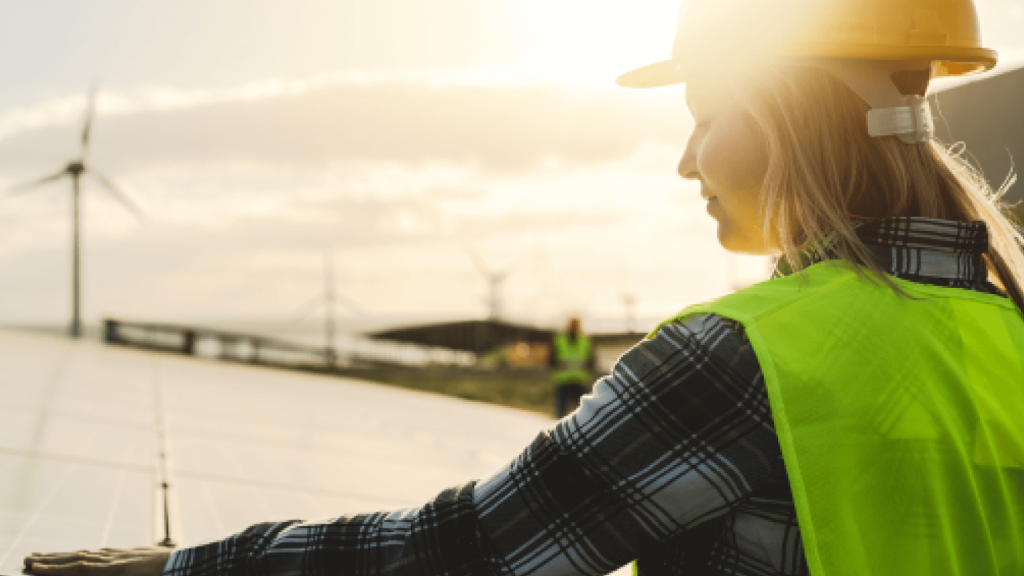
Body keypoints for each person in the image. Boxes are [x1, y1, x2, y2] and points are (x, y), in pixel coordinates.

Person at [24, 0, 1024, 575]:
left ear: (791, 112)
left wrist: (181, 568)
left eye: (706, 114)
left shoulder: (741, 359)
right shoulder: (1003, 333)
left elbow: (458, 555)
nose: (685, 162)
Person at [550, 317, 595, 418]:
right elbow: (592, 363)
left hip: (577, 381)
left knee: (582, 415)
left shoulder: (584, 340)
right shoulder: (561, 340)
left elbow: (592, 361)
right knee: (578, 415)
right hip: (566, 381)